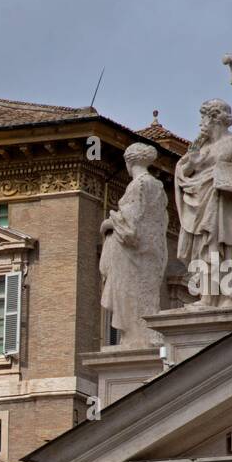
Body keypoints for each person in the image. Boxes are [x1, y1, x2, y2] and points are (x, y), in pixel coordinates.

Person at [174, 99, 232, 308]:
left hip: (222, 202)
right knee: (202, 249)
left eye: (203, 117)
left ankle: (226, 295)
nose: (200, 123)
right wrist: (193, 160)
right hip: (198, 200)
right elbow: (184, 173)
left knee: (219, 246)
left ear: (214, 118)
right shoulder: (201, 147)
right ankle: (207, 296)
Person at [100, 142, 168, 348]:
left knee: (128, 294)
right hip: (152, 251)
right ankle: (142, 335)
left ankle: (133, 337)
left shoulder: (138, 185)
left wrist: (108, 223)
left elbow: (131, 223)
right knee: (145, 295)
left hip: (131, 254)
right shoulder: (158, 187)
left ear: (129, 162)